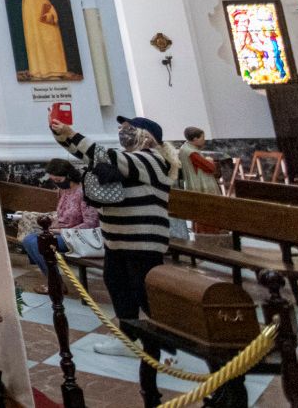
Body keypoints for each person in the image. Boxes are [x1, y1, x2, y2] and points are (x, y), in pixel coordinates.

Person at [51, 114, 176, 356]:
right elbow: (87, 155)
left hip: (142, 239)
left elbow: (103, 156)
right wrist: (60, 133)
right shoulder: (129, 159)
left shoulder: (151, 160)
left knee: (145, 291)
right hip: (117, 239)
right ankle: (129, 339)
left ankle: (165, 342)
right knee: (119, 287)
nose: (121, 130)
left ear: (146, 136)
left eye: (127, 127)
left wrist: (72, 133)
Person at [21, 158, 99, 292]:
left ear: (68, 176)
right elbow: (61, 214)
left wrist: (61, 231)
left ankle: (55, 284)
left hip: (78, 236)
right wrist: (53, 227)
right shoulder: (63, 191)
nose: (57, 184)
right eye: (54, 181)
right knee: (28, 239)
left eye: (58, 181)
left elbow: (90, 223)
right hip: (61, 231)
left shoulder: (84, 193)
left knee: (39, 243)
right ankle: (53, 279)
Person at [177, 126, 220, 194]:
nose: (204, 140)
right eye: (202, 138)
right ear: (195, 139)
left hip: (192, 183)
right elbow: (211, 168)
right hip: (200, 185)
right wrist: (210, 161)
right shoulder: (192, 152)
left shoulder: (184, 147)